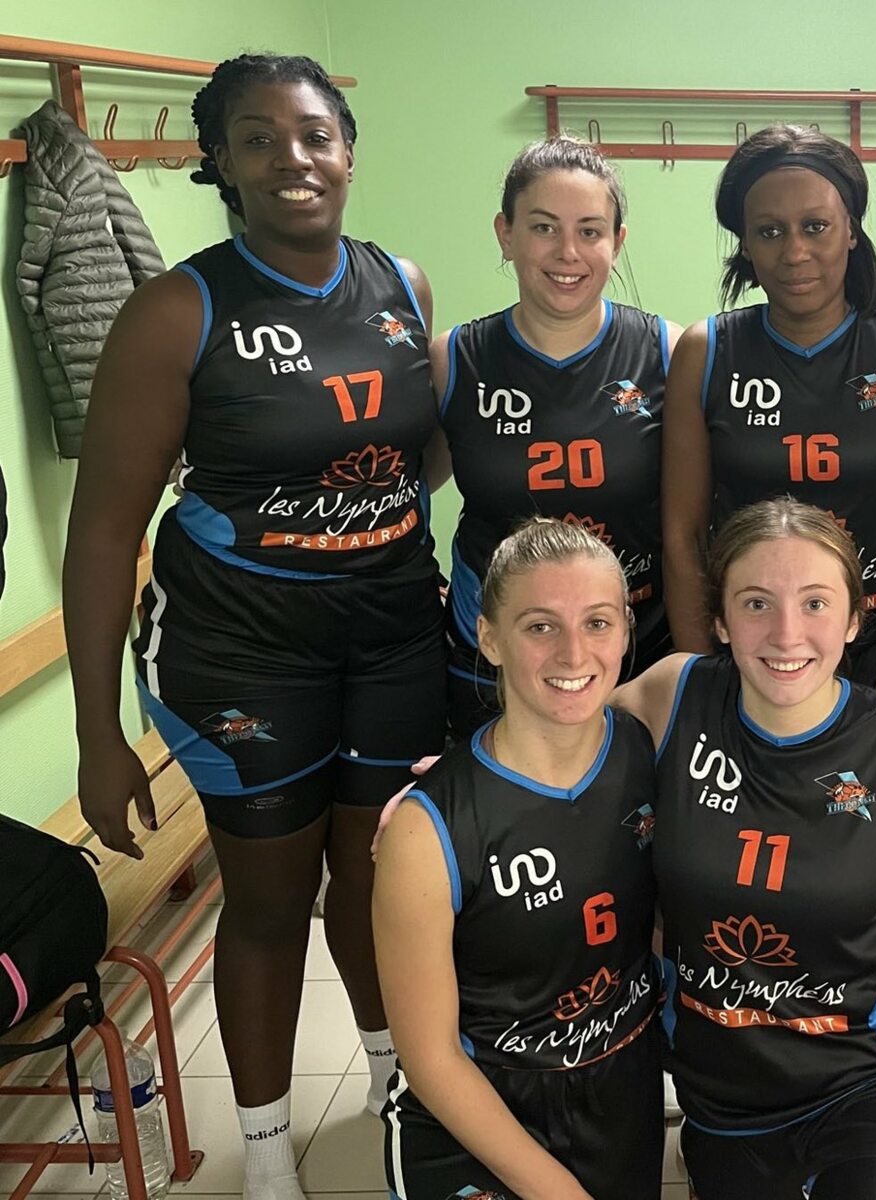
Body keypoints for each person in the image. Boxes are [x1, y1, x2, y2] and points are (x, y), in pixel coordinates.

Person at [62, 53, 445, 1200]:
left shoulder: (404, 283)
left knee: (376, 882)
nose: (293, 158)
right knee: (272, 904)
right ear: (220, 162)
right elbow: (101, 534)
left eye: (315, 134)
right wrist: (95, 733)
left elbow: (417, 454)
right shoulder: (176, 311)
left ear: (348, 151)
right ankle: (268, 1155)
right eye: (260, 138)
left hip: (390, 635)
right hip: (238, 652)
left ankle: (392, 1084)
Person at [613, 498, 876, 1199]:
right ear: (720, 620)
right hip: (725, 1097)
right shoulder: (673, 693)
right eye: (755, 604)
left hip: (874, 1074)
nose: (786, 633)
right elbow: (552, 745)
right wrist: (463, 782)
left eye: (815, 603)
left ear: (855, 618)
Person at [374, 518, 662, 1200]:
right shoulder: (428, 829)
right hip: (476, 1113)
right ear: (489, 637)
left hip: (621, 1097)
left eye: (597, 623)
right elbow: (432, 1058)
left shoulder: (648, 745)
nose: (573, 652)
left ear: (625, 632)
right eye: (540, 626)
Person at [661, 125, 876, 695]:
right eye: (769, 231)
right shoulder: (706, 352)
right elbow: (682, 536)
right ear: (745, 244)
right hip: (751, 649)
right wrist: (700, 678)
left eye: (815, 227)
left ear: (850, 229)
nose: (794, 252)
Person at [436, 135, 681, 736]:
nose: (568, 252)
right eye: (544, 227)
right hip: (495, 657)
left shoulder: (668, 351)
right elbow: (404, 487)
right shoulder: (454, 359)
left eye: (590, 231)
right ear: (506, 234)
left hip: (636, 648)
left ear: (617, 242)